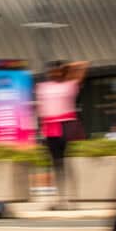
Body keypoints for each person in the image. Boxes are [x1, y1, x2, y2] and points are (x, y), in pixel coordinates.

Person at [35, 60, 88, 210]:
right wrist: (41, 128)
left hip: (67, 125)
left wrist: (68, 67)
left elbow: (83, 66)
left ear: (62, 72)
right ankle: (60, 200)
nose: (54, 74)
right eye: (52, 72)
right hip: (50, 127)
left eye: (58, 71)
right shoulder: (42, 87)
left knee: (68, 163)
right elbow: (41, 109)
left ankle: (73, 199)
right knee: (56, 164)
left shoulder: (70, 85)